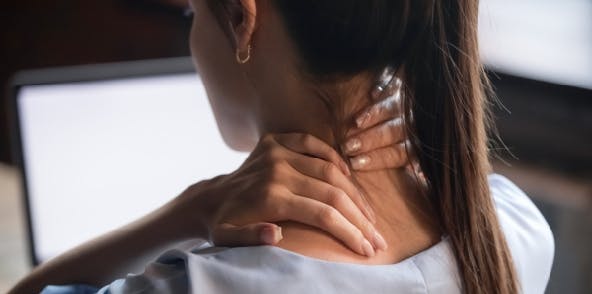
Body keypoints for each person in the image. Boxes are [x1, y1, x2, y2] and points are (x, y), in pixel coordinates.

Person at [10, 0, 554, 293]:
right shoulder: (510, 230)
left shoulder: (196, 285)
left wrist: (190, 210)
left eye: (193, 13)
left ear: (244, 18)